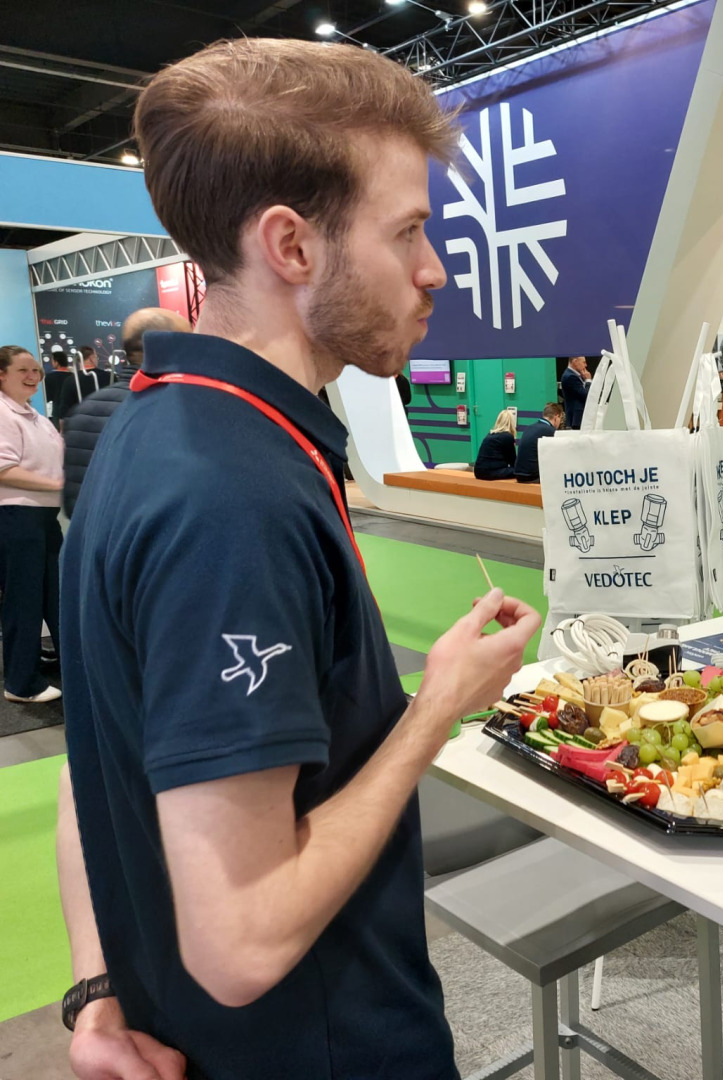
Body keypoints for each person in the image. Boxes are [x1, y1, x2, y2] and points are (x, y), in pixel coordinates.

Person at [55, 38, 542, 1080]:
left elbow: (93, 754)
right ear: (291, 245)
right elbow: (241, 945)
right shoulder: (234, 499)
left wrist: (96, 989)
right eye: (407, 231)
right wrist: (434, 709)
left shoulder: (151, 425)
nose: (433, 268)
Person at [62, 308, 192, 517]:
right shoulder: (178, 408)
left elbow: (74, 496)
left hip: (92, 531)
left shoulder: (86, 408)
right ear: (171, 348)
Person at [0, 345, 64, 704]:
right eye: (23, 370)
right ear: (1, 375)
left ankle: (63, 659)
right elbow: (4, 470)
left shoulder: (32, 414)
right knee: (24, 599)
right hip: (16, 516)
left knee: (55, 594)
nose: (32, 376)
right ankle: (21, 682)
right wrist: (59, 484)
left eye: (36, 370)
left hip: (43, 517)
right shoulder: (2, 412)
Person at [514, 401, 564, 482]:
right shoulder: (550, 431)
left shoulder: (529, 427)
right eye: (560, 419)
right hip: (532, 477)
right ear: (556, 417)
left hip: (519, 474)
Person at [474, 407, 518, 480]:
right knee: (520, 471)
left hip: (478, 472)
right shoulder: (507, 436)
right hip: (491, 472)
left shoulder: (490, 434)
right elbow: (512, 460)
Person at [560, 355, 589, 431]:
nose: (586, 365)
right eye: (584, 362)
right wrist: (588, 380)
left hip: (578, 419)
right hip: (576, 420)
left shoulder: (576, 376)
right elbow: (587, 396)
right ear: (575, 362)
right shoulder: (570, 377)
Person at [44, 348, 72, 423]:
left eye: (52, 361)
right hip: (72, 411)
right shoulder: (73, 376)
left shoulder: (50, 377)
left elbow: (47, 396)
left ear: (56, 362)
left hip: (57, 412)